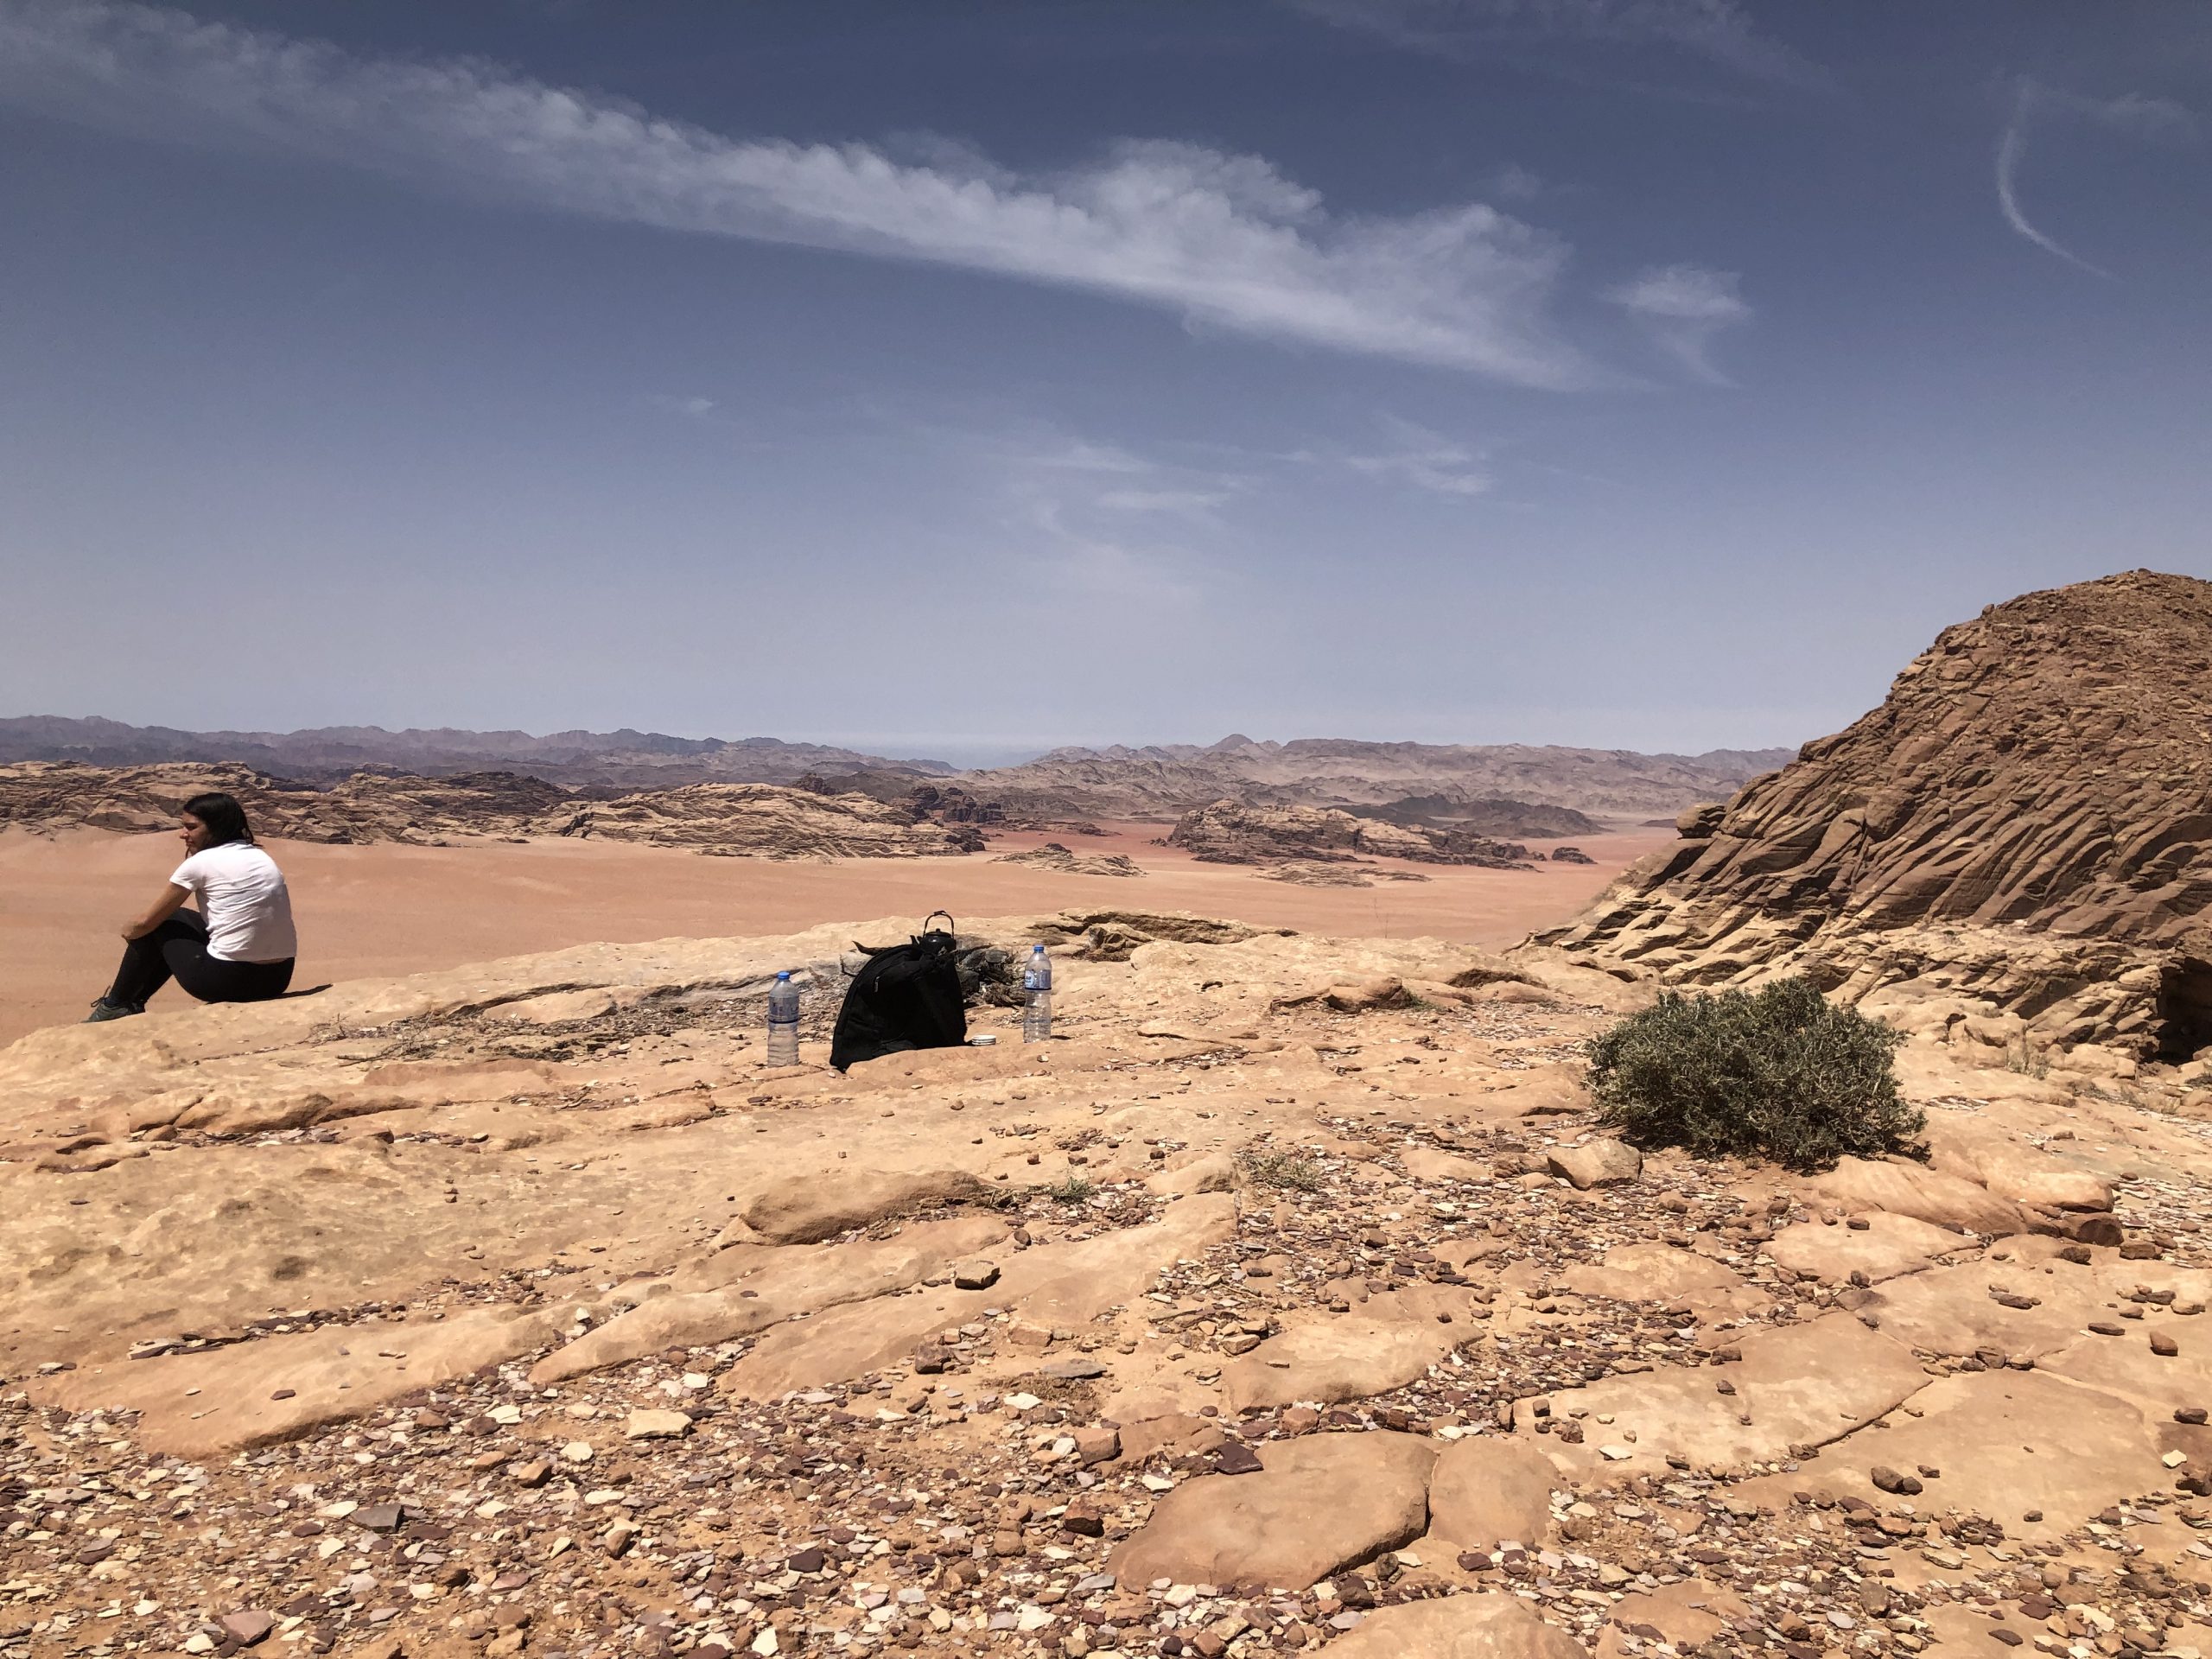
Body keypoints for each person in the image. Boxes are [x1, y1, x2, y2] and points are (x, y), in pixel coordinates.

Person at [86, 791, 297, 1021]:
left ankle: (116, 1005)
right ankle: (129, 1003)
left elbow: (146, 922)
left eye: (191, 827)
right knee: (183, 918)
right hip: (277, 979)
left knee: (164, 923)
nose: (182, 834)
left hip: (226, 982)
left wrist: (129, 933)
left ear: (217, 827)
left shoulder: (200, 863)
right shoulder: (261, 858)